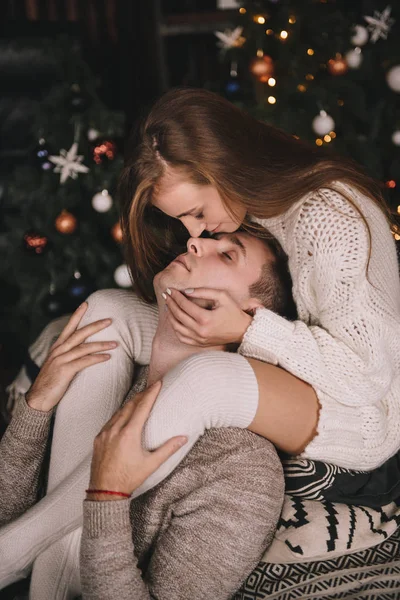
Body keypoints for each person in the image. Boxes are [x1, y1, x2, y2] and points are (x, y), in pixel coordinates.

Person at [0, 230, 292, 598]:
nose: (194, 243)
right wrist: (36, 405)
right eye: (207, 238)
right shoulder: (108, 368)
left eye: (228, 255)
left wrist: (107, 498)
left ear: (250, 315)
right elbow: (6, 517)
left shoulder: (243, 470)